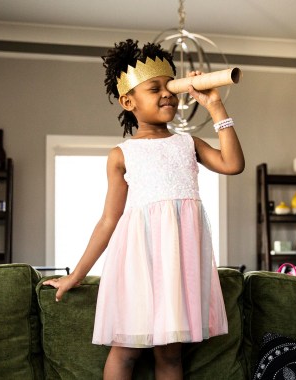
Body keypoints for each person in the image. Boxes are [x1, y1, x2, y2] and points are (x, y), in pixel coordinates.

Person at [43, 39, 245, 380]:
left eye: (171, 86)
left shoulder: (187, 143)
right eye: (155, 88)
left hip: (180, 267)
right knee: (126, 351)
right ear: (128, 101)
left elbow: (233, 164)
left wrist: (215, 108)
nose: (167, 93)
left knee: (170, 355)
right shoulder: (121, 154)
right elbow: (109, 219)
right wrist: (76, 275)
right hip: (138, 264)